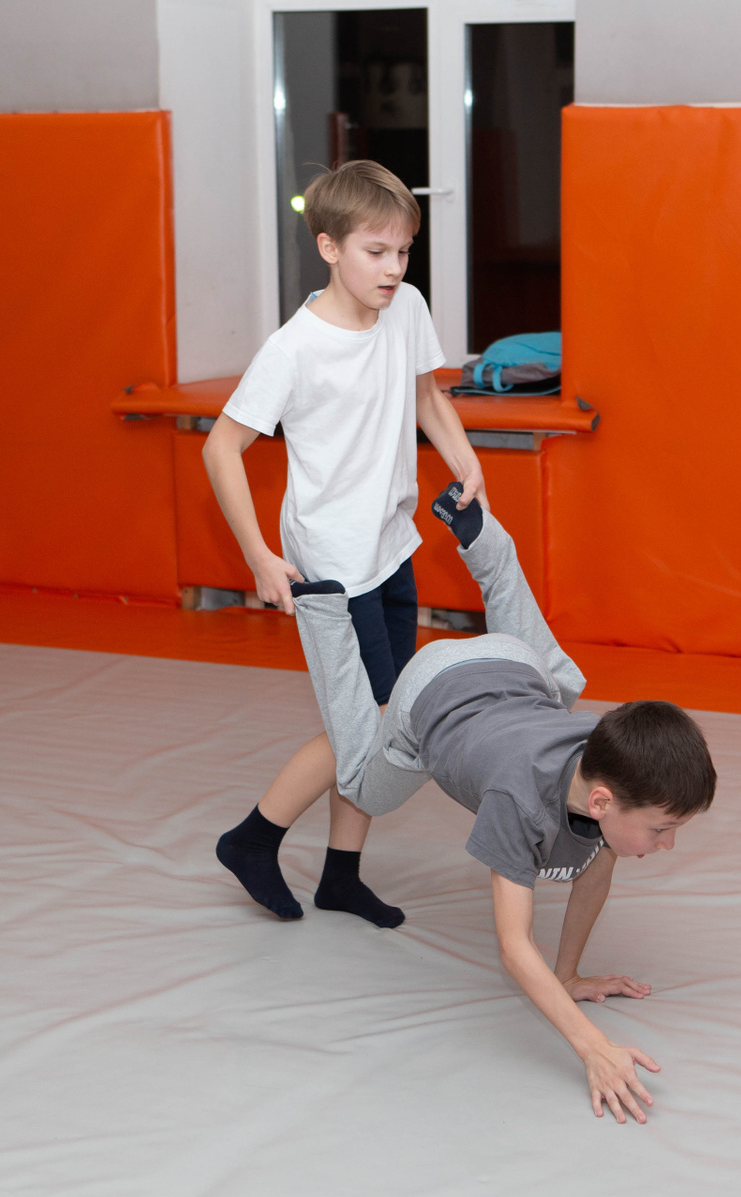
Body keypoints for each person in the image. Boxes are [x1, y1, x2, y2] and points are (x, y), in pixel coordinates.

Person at [227, 485, 719, 1124]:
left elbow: (596, 869)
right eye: (662, 829)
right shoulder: (520, 803)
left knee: (561, 683)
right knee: (363, 782)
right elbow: (514, 946)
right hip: (428, 688)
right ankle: (323, 612)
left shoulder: (602, 756)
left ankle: (483, 539)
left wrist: (569, 975)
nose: (667, 844)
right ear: (602, 802)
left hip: (510, 661)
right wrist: (592, 1047)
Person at [204, 160, 484, 930]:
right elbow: (221, 449)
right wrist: (260, 556)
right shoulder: (294, 349)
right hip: (330, 566)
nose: (394, 269)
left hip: (390, 546)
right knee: (372, 725)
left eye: (404, 252)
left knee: (380, 716)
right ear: (329, 247)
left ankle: (340, 876)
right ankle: (252, 839)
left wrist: (464, 458)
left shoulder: (405, 307)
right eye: (376, 252)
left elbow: (426, 395)